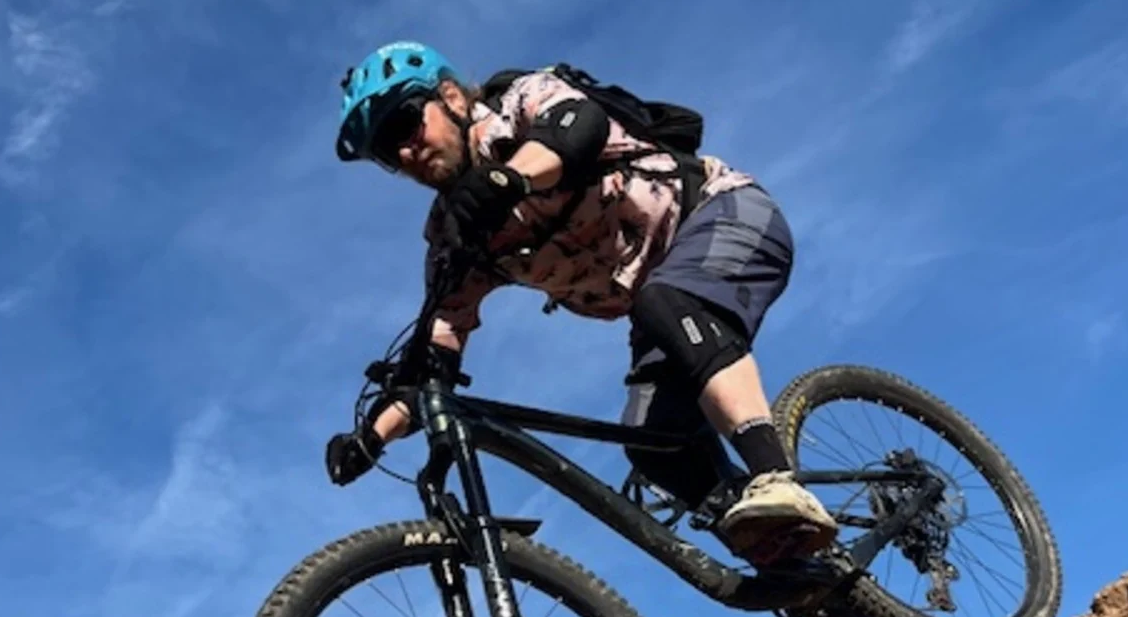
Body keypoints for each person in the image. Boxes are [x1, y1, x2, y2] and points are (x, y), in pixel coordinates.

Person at [325, 41, 837, 566]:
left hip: (723, 214)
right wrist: (370, 438)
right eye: (388, 151)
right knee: (651, 441)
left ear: (451, 97)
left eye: (405, 125)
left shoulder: (523, 101)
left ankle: (777, 480)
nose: (405, 151)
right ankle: (801, 569)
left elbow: (577, 127)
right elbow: (435, 352)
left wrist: (507, 177)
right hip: (659, 310)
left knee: (665, 301)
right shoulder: (454, 234)